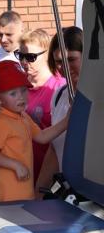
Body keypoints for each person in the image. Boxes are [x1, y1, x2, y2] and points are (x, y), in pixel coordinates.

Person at [0, 60, 68, 202]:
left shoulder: (23, 116)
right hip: (7, 195)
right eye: (13, 93)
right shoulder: (1, 123)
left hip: (25, 191)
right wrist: (15, 165)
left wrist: (66, 121)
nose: (21, 96)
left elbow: (42, 136)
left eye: (23, 90)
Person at [36, 26, 83, 193]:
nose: (65, 67)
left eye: (71, 59)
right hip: (67, 193)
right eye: (59, 61)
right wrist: (38, 193)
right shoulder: (58, 96)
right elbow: (54, 150)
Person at [15, 29, 65, 182]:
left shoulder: (59, 87)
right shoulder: (18, 86)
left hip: (51, 167)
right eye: (21, 56)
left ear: (47, 55)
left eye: (31, 57)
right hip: (24, 166)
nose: (24, 62)